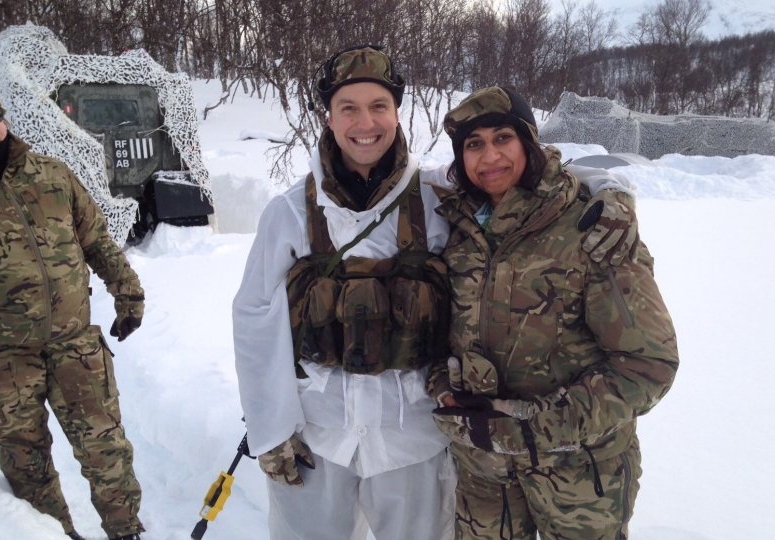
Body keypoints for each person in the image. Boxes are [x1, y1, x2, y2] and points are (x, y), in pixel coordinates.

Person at [233, 47, 636, 540]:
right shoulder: (291, 212)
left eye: (379, 105)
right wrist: (271, 431)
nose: (366, 122)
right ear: (330, 118)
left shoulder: (434, 197)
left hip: (415, 443)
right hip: (317, 438)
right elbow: (254, 314)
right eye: (349, 108)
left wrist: (606, 191)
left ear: (396, 112)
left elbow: (522, 185)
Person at [428, 86, 679, 540]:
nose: (489, 157)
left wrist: (532, 427)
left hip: (579, 479)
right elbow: (438, 337)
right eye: (473, 144)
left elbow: (648, 365)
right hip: (484, 475)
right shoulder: (457, 228)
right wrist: (443, 387)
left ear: (528, 142)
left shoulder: (591, 226)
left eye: (503, 137)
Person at [0, 78, 145, 540]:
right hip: (0, 357)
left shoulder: (49, 173)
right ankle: (50, 534)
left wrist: (128, 292)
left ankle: (126, 533)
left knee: (106, 447)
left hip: (74, 344)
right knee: (26, 460)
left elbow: (96, 240)